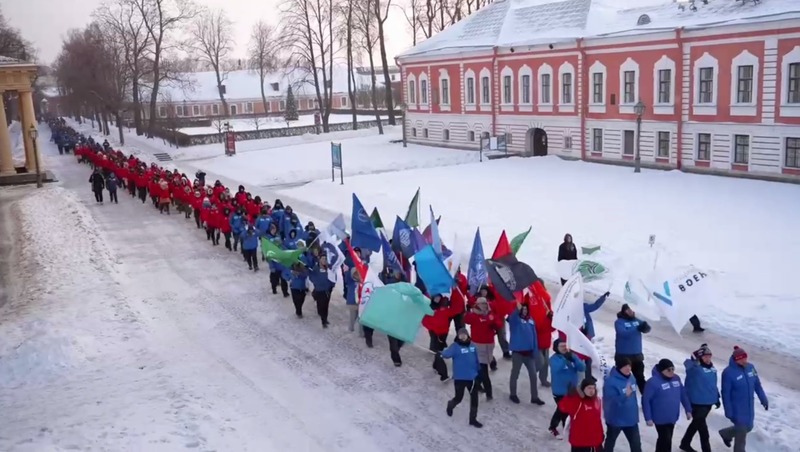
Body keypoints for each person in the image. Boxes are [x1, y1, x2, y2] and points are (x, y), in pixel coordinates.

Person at [719, 346, 768, 452]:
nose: (744, 361)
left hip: (749, 407)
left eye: (745, 358)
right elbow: (725, 394)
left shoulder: (751, 368)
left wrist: (763, 399)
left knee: (749, 427)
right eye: (741, 359)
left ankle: (725, 433)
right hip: (737, 409)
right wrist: (728, 411)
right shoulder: (728, 373)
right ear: (736, 360)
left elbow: (757, 385)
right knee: (741, 439)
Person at [642, 358, 692, 452]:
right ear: (662, 370)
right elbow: (646, 400)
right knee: (666, 439)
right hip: (660, 418)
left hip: (672, 417)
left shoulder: (676, 379)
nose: (671, 372)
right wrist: (648, 418)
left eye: (673, 369)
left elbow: (683, 394)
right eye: (668, 370)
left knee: (664, 440)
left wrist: (688, 409)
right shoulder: (653, 382)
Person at [680, 343, 720, 452]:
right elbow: (688, 366)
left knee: (696, 424)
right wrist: (693, 360)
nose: (707, 358)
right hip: (696, 403)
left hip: (708, 403)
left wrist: (717, 397)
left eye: (709, 356)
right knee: (703, 431)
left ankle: (685, 443)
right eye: (705, 356)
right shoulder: (694, 368)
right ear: (700, 357)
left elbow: (712, 384)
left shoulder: (712, 368)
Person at [441, 328, 482, 428]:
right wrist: (441, 353)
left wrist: (478, 372)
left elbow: (477, 360)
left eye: (464, 334)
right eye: (460, 335)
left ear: (467, 335)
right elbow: (446, 354)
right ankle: (451, 405)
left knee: (474, 399)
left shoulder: (473, 346)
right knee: (459, 398)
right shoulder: (455, 347)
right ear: (458, 336)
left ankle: (473, 419)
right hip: (460, 378)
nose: (463, 336)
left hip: (472, 378)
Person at [507, 300, 545, 405]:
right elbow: (512, 318)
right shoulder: (515, 320)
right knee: (515, 374)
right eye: (523, 309)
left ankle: (534, 397)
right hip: (518, 353)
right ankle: (513, 394)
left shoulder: (531, 320)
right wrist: (516, 309)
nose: (524, 311)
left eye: (526, 309)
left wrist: (535, 351)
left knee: (533, 375)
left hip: (529, 354)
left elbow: (534, 337)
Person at [464, 297, 502, 400]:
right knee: (484, 370)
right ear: (477, 305)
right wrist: (468, 311)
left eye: (485, 303)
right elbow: (466, 319)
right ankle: (489, 393)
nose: (483, 305)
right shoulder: (474, 315)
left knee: (482, 369)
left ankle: (475, 385)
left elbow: (499, 324)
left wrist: (493, 321)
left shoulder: (490, 314)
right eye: (481, 304)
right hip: (478, 346)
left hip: (489, 345)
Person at [603, 357, 642, 452]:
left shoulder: (631, 378)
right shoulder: (610, 382)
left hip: (631, 419)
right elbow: (610, 402)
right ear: (619, 367)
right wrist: (624, 396)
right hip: (616, 420)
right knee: (610, 443)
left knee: (636, 445)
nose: (628, 368)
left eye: (629, 366)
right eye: (625, 366)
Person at [548, 338, 585, 439]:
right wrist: (565, 359)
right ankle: (553, 427)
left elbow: (582, 368)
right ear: (556, 348)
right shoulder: (553, 359)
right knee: (562, 410)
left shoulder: (572, 356)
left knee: (568, 410)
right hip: (559, 391)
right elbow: (556, 369)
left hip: (572, 390)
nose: (564, 348)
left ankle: (568, 428)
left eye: (565, 346)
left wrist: (575, 360)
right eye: (561, 346)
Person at [558, 378, 604, 452]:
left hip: (595, 441)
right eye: (589, 388)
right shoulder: (577, 400)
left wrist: (601, 434)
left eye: (593, 388)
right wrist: (569, 396)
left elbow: (597, 421)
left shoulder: (597, 400)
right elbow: (563, 407)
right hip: (580, 442)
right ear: (583, 389)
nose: (591, 390)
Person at [614, 303, 651, 392]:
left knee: (640, 378)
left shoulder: (636, 320)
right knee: (622, 378)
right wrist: (636, 329)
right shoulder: (619, 322)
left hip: (637, 356)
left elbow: (647, 328)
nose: (630, 311)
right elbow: (622, 333)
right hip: (623, 356)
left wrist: (646, 327)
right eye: (628, 310)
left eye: (631, 309)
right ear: (624, 311)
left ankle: (646, 398)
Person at [422, 294, 455, 381]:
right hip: (435, 333)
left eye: (439, 298)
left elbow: (453, 312)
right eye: (436, 298)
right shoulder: (429, 308)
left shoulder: (444, 308)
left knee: (439, 351)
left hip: (443, 333)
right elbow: (424, 321)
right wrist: (432, 329)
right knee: (438, 352)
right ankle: (443, 374)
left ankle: (435, 365)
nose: (437, 299)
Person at [308, 255, 334, 328]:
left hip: (327, 290)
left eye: (325, 259)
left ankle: (325, 319)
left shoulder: (329, 268)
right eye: (322, 259)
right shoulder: (316, 268)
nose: (324, 260)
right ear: (319, 260)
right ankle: (323, 320)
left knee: (326, 305)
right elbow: (312, 277)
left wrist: (332, 285)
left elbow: (333, 277)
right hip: (319, 290)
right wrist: (317, 283)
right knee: (321, 305)